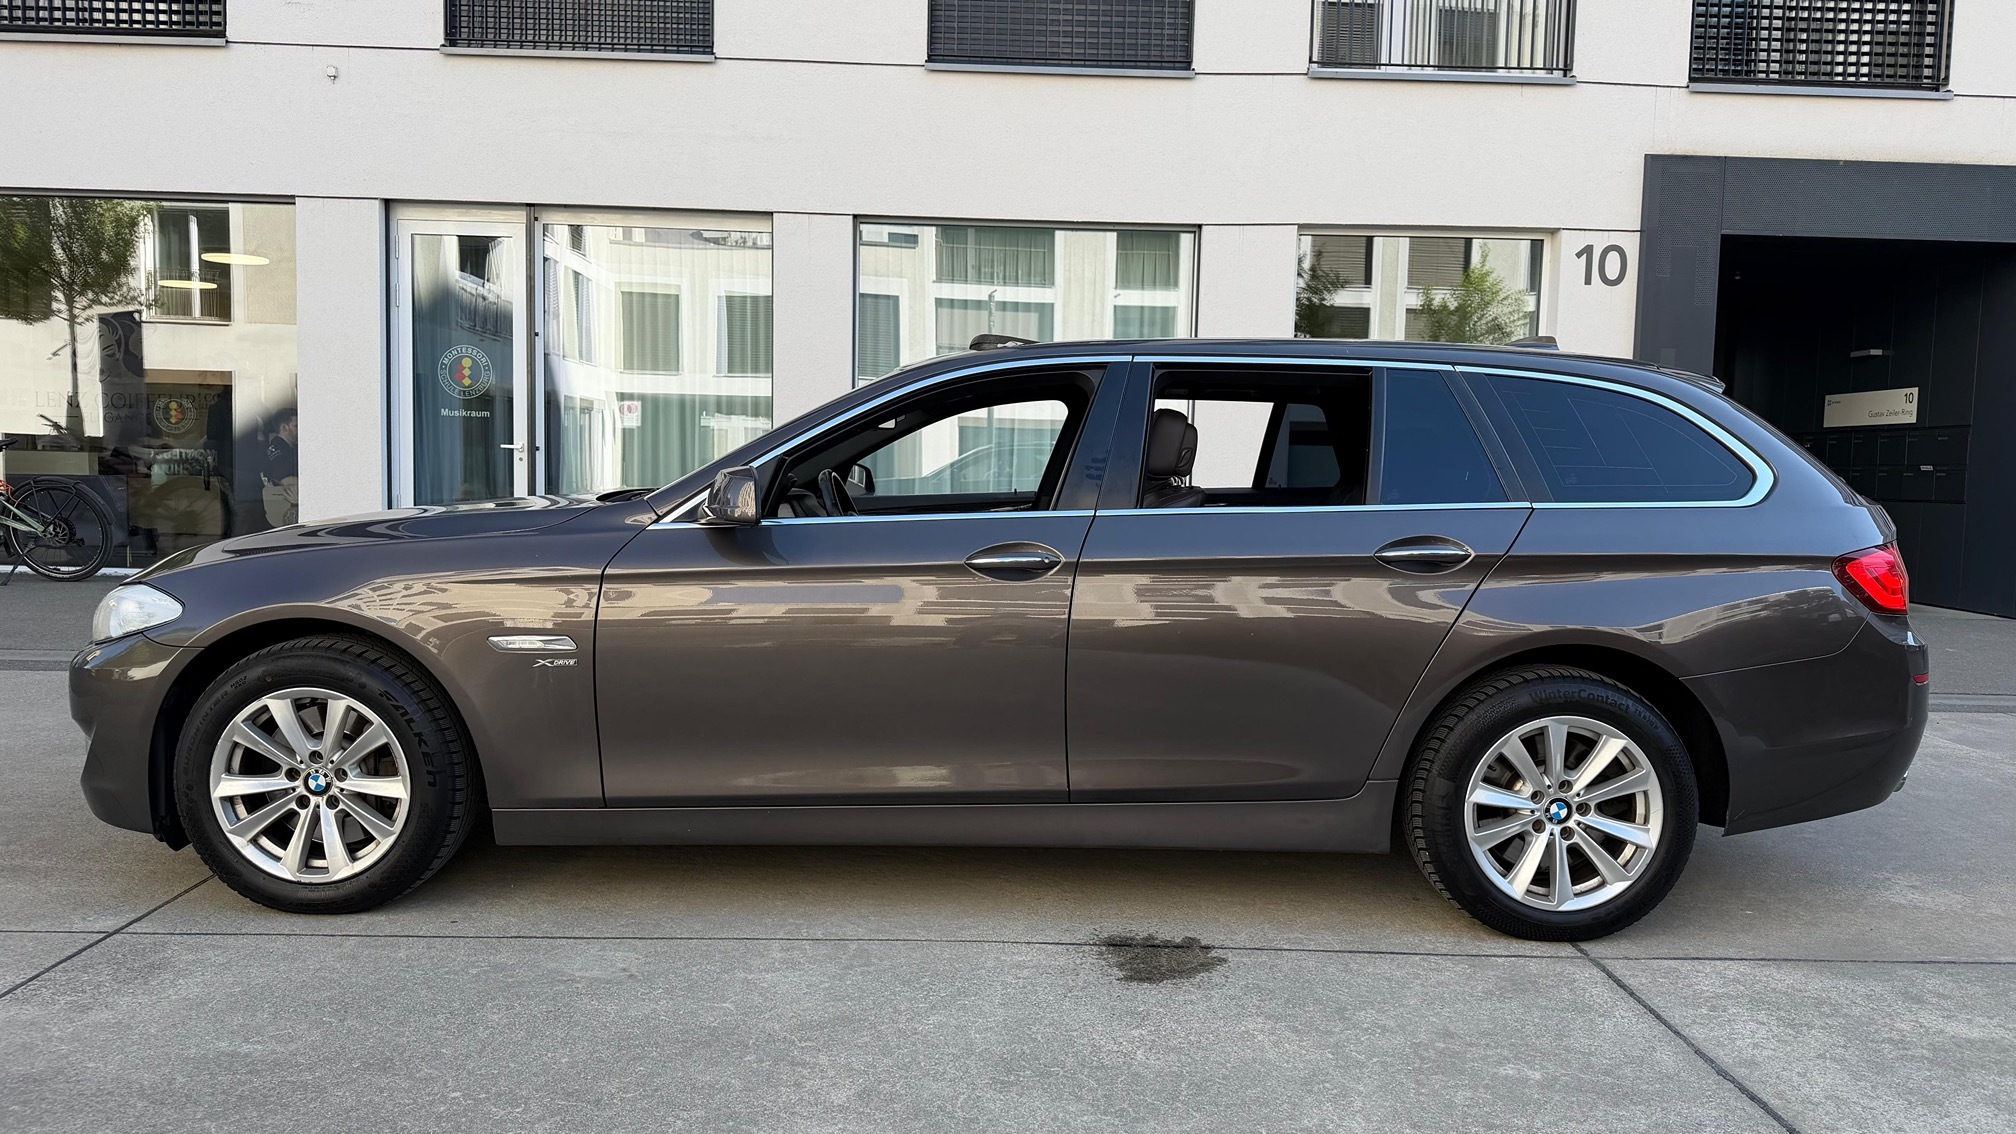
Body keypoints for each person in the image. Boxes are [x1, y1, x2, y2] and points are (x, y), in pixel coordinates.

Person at [261, 406, 299, 527]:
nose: (300, 429)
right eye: (296, 426)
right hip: (286, 507)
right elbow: (287, 481)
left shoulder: (291, 448)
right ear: (284, 427)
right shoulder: (278, 449)